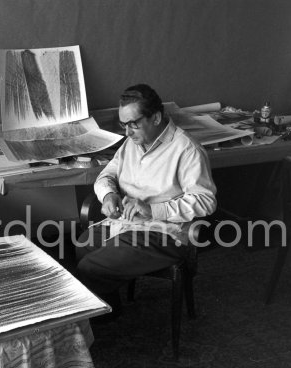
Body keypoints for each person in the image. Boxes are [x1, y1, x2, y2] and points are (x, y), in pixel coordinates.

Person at [75, 84, 217, 318]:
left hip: (164, 232)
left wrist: (153, 209)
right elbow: (106, 175)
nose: (127, 132)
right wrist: (109, 195)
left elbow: (205, 201)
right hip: (127, 225)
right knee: (83, 245)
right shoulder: (132, 143)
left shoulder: (187, 150)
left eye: (133, 123)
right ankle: (109, 313)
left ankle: (97, 324)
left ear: (156, 118)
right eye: (124, 125)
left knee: (91, 268)